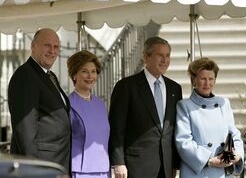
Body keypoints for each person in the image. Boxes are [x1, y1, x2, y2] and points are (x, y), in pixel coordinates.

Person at [109, 36, 182, 178]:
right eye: (160, 55)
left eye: (168, 55)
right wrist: (118, 162)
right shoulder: (126, 86)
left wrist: (175, 164)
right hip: (136, 167)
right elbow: (116, 127)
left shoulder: (175, 88)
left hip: (166, 168)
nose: (165, 60)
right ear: (146, 57)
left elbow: (175, 129)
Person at [8, 28, 71, 172]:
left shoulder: (50, 76)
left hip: (57, 163)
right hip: (41, 165)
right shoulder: (25, 75)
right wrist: (34, 170)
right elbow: (25, 131)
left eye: (56, 47)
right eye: (47, 45)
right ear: (33, 46)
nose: (52, 51)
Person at [175, 57, 244, 178]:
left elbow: (235, 134)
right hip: (197, 172)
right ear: (194, 80)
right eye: (203, 79)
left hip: (223, 172)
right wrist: (209, 161)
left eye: (211, 79)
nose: (207, 83)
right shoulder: (184, 106)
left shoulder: (224, 103)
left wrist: (237, 155)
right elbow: (183, 142)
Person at [67, 50, 110, 178]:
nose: (90, 76)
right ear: (74, 75)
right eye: (84, 71)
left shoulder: (100, 104)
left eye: (93, 71)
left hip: (103, 169)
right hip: (80, 170)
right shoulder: (68, 104)